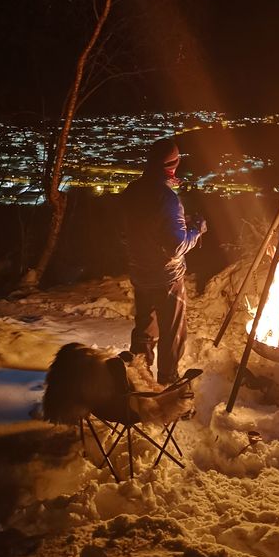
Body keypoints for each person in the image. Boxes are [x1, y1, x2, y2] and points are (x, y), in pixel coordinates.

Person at [120, 137, 207, 384]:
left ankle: (138, 379)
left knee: (145, 326)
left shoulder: (132, 190)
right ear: (173, 163)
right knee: (172, 331)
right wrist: (196, 230)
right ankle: (168, 383)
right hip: (166, 277)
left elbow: (132, 232)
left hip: (140, 272)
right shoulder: (167, 199)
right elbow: (177, 246)